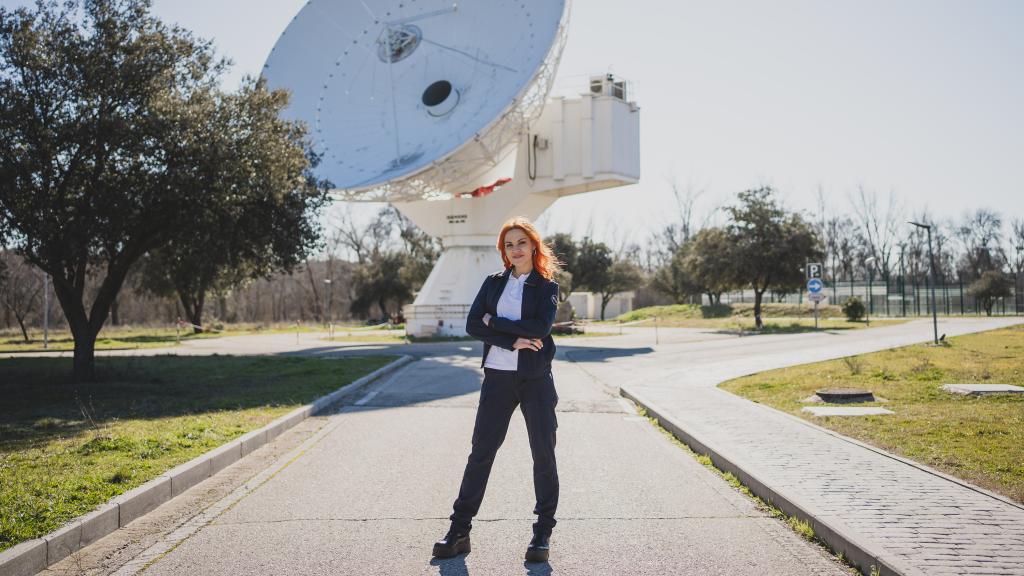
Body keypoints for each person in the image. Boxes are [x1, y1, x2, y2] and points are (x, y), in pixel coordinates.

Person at [432, 216, 561, 564]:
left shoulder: (546, 286)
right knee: (481, 454)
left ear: (533, 245)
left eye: (521, 242)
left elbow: (541, 328)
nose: (515, 249)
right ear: (503, 251)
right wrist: (512, 339)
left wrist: (498, 326)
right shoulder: (492, 283)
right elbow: (474, 323)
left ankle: (542, 533)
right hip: (497, 379)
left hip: (535, 380)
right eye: (509, 244)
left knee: (543, 455)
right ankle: (459, 530)